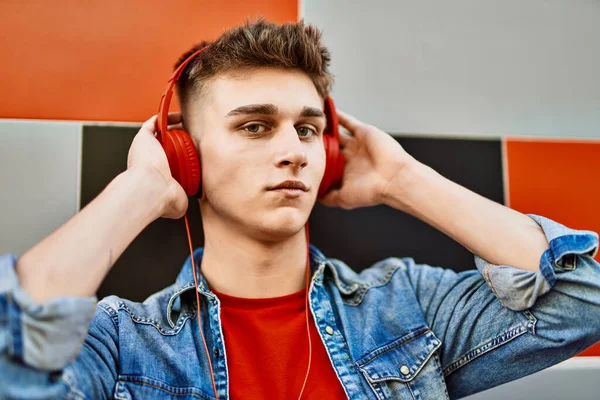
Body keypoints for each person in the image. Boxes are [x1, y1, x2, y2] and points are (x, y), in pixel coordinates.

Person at [1, 20, 599, 400]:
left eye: (309, 130)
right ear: (186, 156)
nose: (292, 151)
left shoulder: (406, 306)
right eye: (255, 127)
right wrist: (140, 189)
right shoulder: (126, 342)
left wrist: (402, 178)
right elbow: (14, 366)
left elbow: (585, 300)